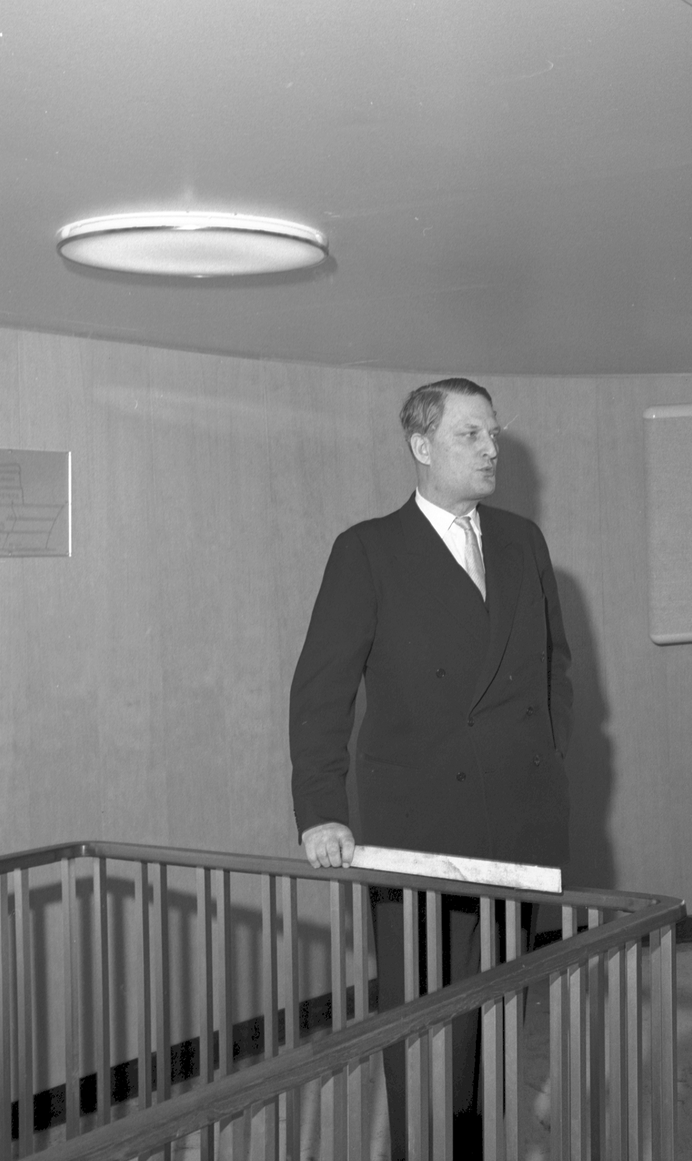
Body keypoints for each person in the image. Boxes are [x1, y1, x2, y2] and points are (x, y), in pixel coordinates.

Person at [289, 377, 573, 1159]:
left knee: (499, 1015)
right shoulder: (367, 549)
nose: (490, 449)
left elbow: (555, 668)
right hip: (419, 827)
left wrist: (548, 760)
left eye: (493, 433)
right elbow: (321, 691)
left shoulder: (522, 540)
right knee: (421, 1024)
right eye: (469, 434)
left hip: (515, 821)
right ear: (421, 445)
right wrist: (321, 809)